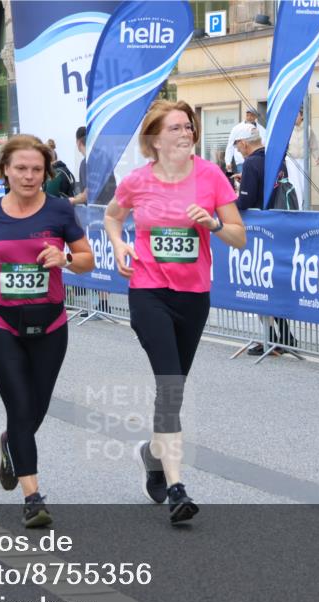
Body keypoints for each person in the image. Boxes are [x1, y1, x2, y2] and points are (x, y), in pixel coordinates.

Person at [103, 100, 246, 523]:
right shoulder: (137, 180)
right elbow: (113, 216)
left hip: (193, 295)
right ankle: (177, 487)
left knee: (174, 389)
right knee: (169, 385)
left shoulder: (211, 176)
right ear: (155, 139)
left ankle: (151, 454)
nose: (187, 133)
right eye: (177, 128)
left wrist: (215, 225)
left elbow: (239, 237)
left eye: (190, 127)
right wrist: (118, 243)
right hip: (148, 292)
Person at [0, 134, 94, 528]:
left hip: (51, 324)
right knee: (20, 405)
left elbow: (87, 259)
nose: (29, 175)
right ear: (5, 169)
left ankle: (10, 443)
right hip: (0, 322)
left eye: (37, 169)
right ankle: (32, 496)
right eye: (21, 168)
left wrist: (66, 258)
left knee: (35, 408)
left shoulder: (58, 212)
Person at [234, 125, 299, 356]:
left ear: (243, 143)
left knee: (260, 284)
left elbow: (245, 201)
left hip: (260, 232)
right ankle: (286, 335)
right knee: (274, 284)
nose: (238, 151)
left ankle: (270, 338)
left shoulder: (252, 162)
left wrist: (226, 202)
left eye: (237, 146)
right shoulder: (276, 159)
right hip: (279, 227)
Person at [69, 125, 117, 206]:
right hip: (111, 208)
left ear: (78, 142)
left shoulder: (85, 163)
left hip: (97, 211)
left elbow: (87, 195)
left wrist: (73, 200)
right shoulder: (105, 156)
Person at [225, 107, 265, 176]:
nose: (249, 117)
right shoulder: (237, 128)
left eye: (252, 115)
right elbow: (230, 145)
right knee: (243, 180)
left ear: (255, 117)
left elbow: (264, 144)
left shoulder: (262, 130)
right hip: (241, 161)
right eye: (247, 115)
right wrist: (228, 161)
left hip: (256, 160)